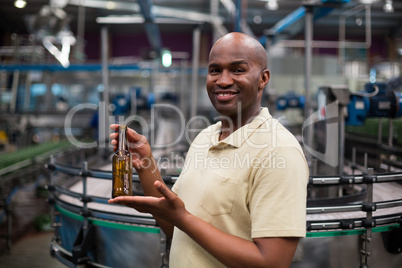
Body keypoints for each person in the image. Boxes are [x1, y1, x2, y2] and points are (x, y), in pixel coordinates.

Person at [109, 32, 308, 268]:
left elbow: (272, 262)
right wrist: (146, 166)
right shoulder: (205, 137)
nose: (223, 81)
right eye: (215, 70)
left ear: (263, 79)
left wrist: (182, 218)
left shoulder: (278, 151)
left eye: (237, 70)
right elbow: (178, 229)